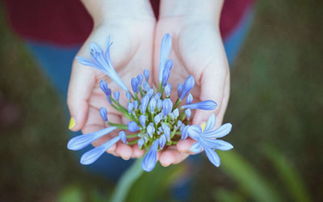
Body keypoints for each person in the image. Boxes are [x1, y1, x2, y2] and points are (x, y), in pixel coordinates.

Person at [4, 0, 254, 179]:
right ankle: (113, 180)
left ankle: (175, 183)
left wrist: (195, 14)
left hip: (205, 13)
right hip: (66, 16)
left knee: (188, 143)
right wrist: (117, 12)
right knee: (97, 129)